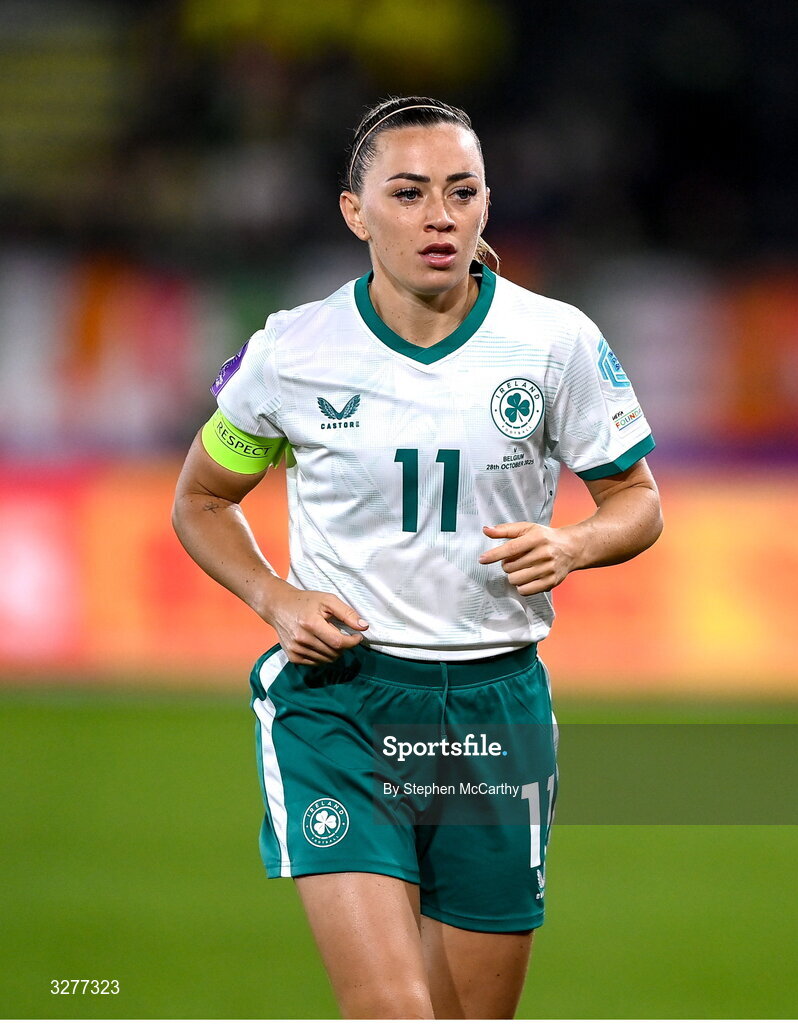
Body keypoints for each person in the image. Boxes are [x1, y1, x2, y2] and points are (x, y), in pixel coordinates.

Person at [172, 95, 662, 1019]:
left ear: (485, 205)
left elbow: (637, 502)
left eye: (461, 191)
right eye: (407, 192)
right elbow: (201, 498)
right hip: (342, 705)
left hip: (493, 710)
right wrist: (274, 597)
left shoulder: (555, 342)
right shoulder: (294, 352)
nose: (439, 216)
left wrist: (574, 542)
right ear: (355, 212)